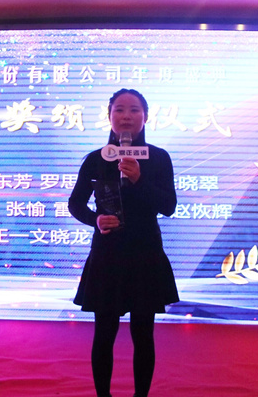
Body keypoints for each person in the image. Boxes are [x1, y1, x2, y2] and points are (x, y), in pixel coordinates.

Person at [68, 88, 179, 397]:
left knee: (143, 335)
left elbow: (169, 206)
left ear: (146, 116)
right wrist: (96, 220)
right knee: (104, 334)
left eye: (134, 110)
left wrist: (139, 179)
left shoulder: (159, 158)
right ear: (109, 116)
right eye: (119, 110)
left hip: (146, 255)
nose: (126, 116)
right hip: (108, 256)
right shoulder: (96, 159)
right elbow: (75, 204)